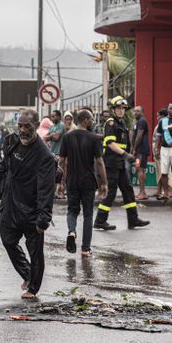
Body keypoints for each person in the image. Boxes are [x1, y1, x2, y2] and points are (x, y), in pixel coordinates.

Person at [0, 109, 56, 300]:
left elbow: (46, 189)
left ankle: (33, 287)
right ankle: (27, 273)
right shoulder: (12, 141)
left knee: (35, 250)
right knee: (8, 239)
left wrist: (43, 218)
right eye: (20, 126)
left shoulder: (45, 156)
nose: (23, 130)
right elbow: (4, 164)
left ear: (36, 126)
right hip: (10, 202)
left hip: (31, 207)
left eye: (27, 126)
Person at [94, 96, 151, 231]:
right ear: (113, 109)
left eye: (123, 108)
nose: (121, 111)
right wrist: (125, 154)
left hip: (119, 163)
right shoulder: (111, 123)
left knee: (128, 190)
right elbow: (110, 143)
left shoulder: (121, 123)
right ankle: (100, 220)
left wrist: (129, 152)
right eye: (118, 108)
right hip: (111, 163)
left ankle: (133, 220)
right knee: (111, 192)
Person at [59, 109, 108, 256]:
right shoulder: (94, 138)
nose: (93, 122)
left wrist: (60, 182)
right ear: (86, 120)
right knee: (87, 214)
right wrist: (104, 182)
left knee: (72, 210)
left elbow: (61, 161)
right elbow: (99, 162)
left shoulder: (67, 137)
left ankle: (72, 231)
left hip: (72, 180)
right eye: (92, 119)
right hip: (88, 181)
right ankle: (85, 249)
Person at [132, 106, 151, 200]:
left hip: (141, 150)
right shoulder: (138, 121)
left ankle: (142, 193)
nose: (136, 113)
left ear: (142, 112)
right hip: (140, 150)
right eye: (135, 111)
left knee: (140, 169)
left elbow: (139, 136)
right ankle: (142, 192)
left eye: (138, 111)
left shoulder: (142, 121)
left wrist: (134, 149)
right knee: (141, 170)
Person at [152, 108, 170, 199]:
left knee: (164, 171)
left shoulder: (163, 123)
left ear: (163, 116)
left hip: (161, 148)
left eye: (158, 115)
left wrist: (157, 149)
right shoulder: (161, 123)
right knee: (160, 171)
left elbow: (162, 137)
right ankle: (159, 190)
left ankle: (166, 191)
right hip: (158, 147)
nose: (157, 117)